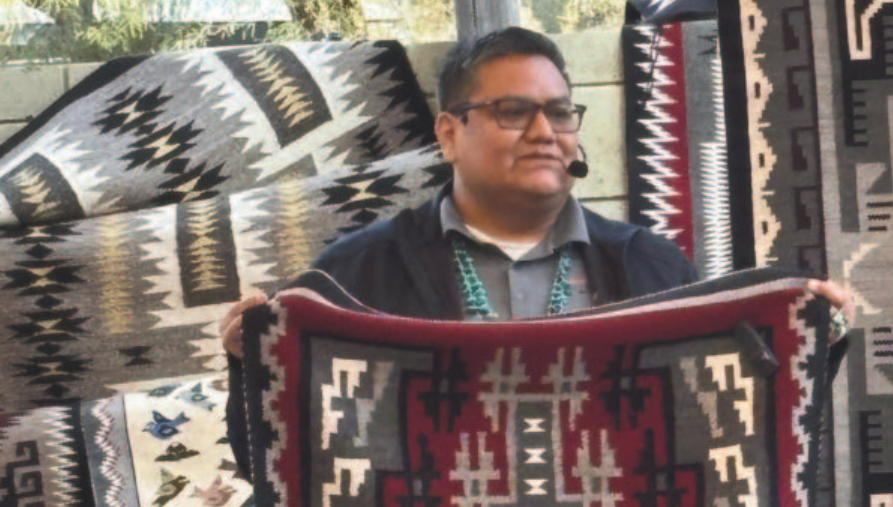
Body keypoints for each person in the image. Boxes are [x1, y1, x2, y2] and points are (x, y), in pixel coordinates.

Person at [221, 26, 851, 474]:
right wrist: (250, 362)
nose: (546, 132)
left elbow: (734, 441)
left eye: (560, 112)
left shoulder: (652, 268)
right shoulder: (356, 274)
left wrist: (816, 342)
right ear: (448, 132)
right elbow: (275, 466)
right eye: (513, 111)